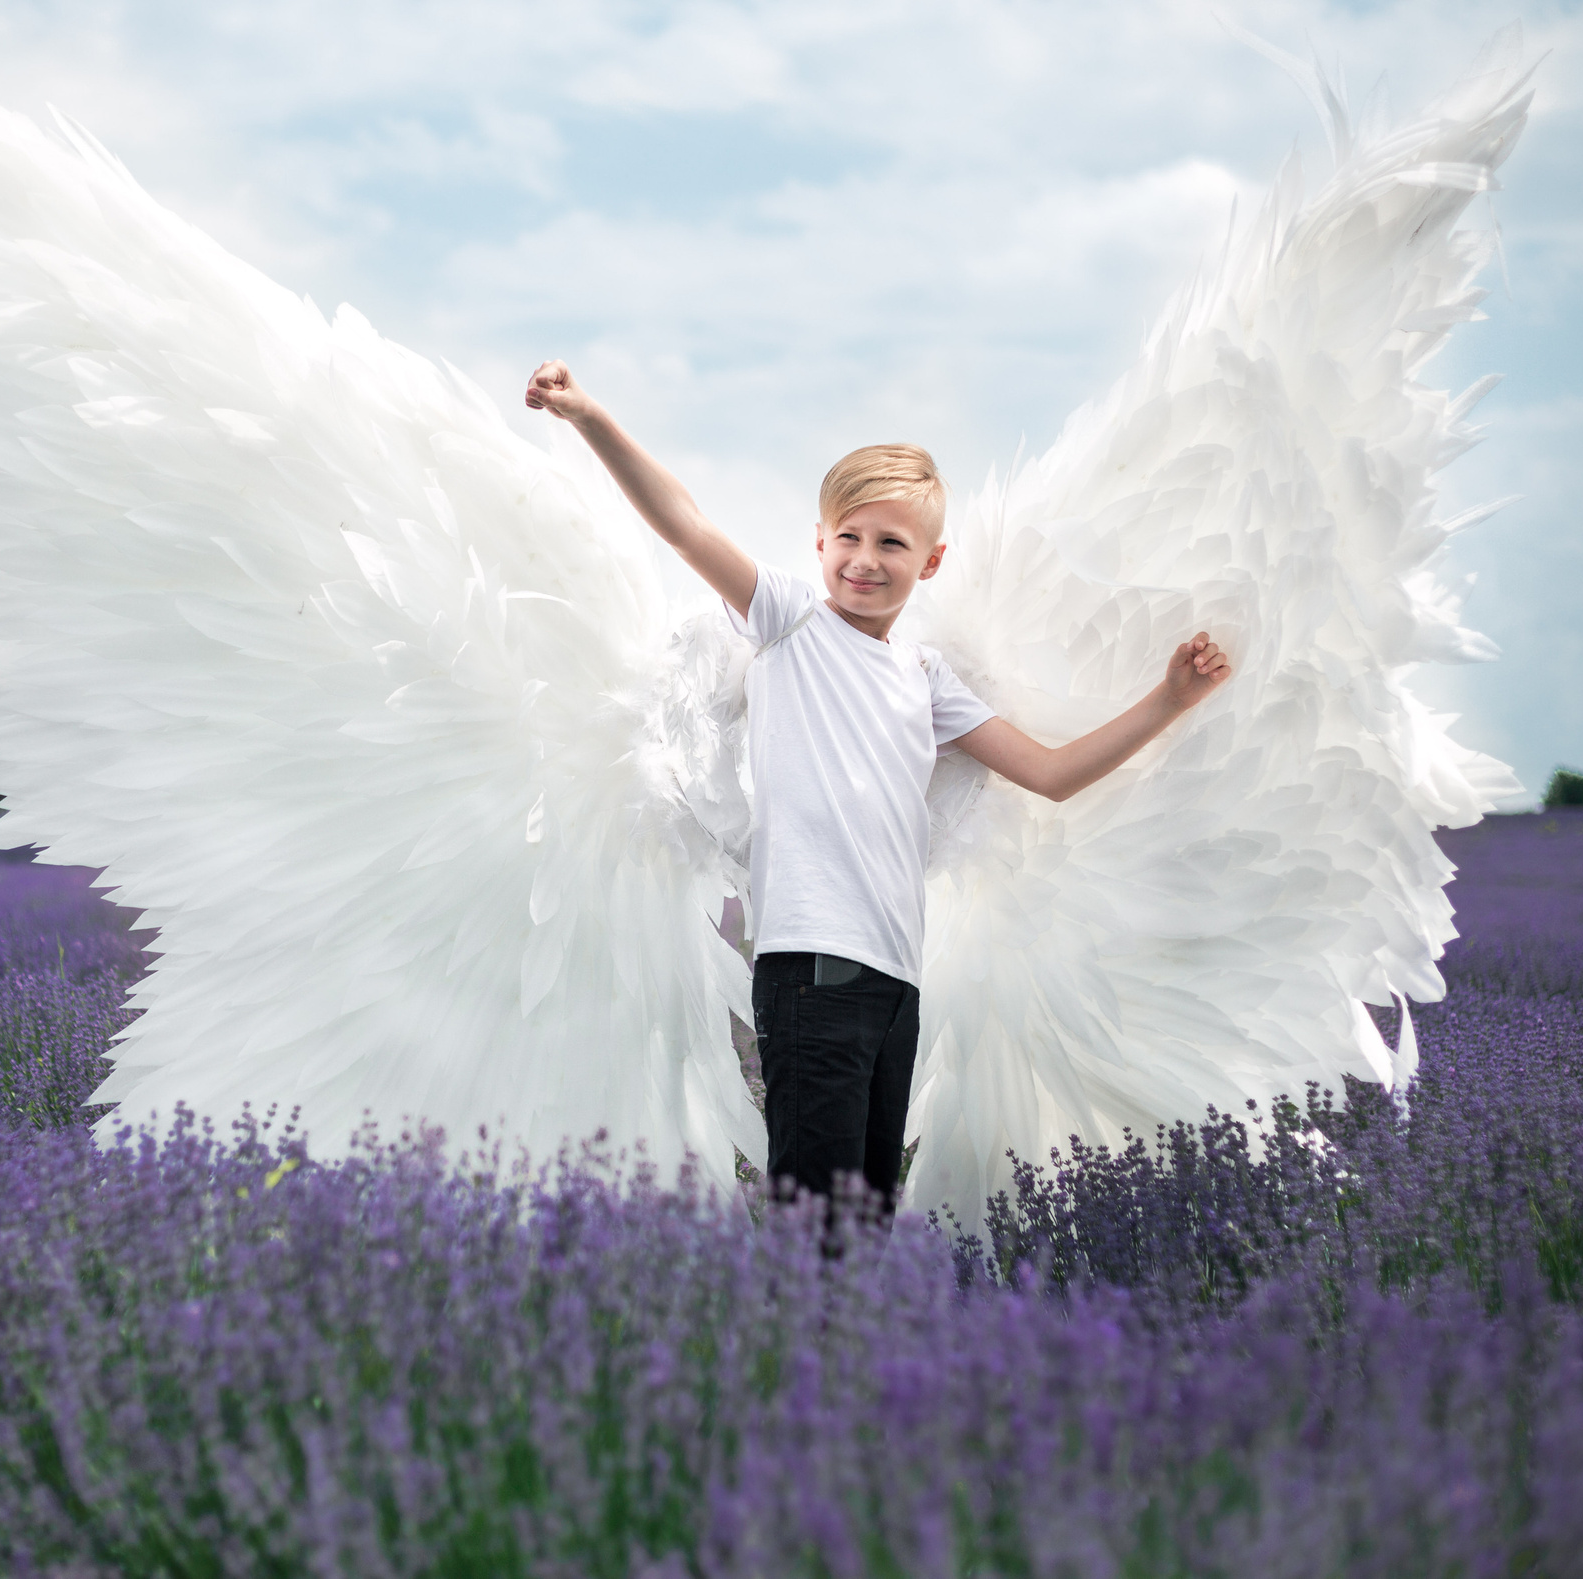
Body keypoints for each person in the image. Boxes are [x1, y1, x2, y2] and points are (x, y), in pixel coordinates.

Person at [525, 359, 1235, 1211]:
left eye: (891, 543)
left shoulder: (926, 680)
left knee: (864, 1231)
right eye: (849, 537)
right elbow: (684, 525)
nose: (865, 560)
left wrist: (1170, 697)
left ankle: (841, 1348)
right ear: (818, 542)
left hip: (896, 985)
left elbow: (1050, 773)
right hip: (809, 972)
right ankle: (781, 1346)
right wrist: (587, 414)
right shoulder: (790, 623)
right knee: (818, 1226)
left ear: (931, 561)